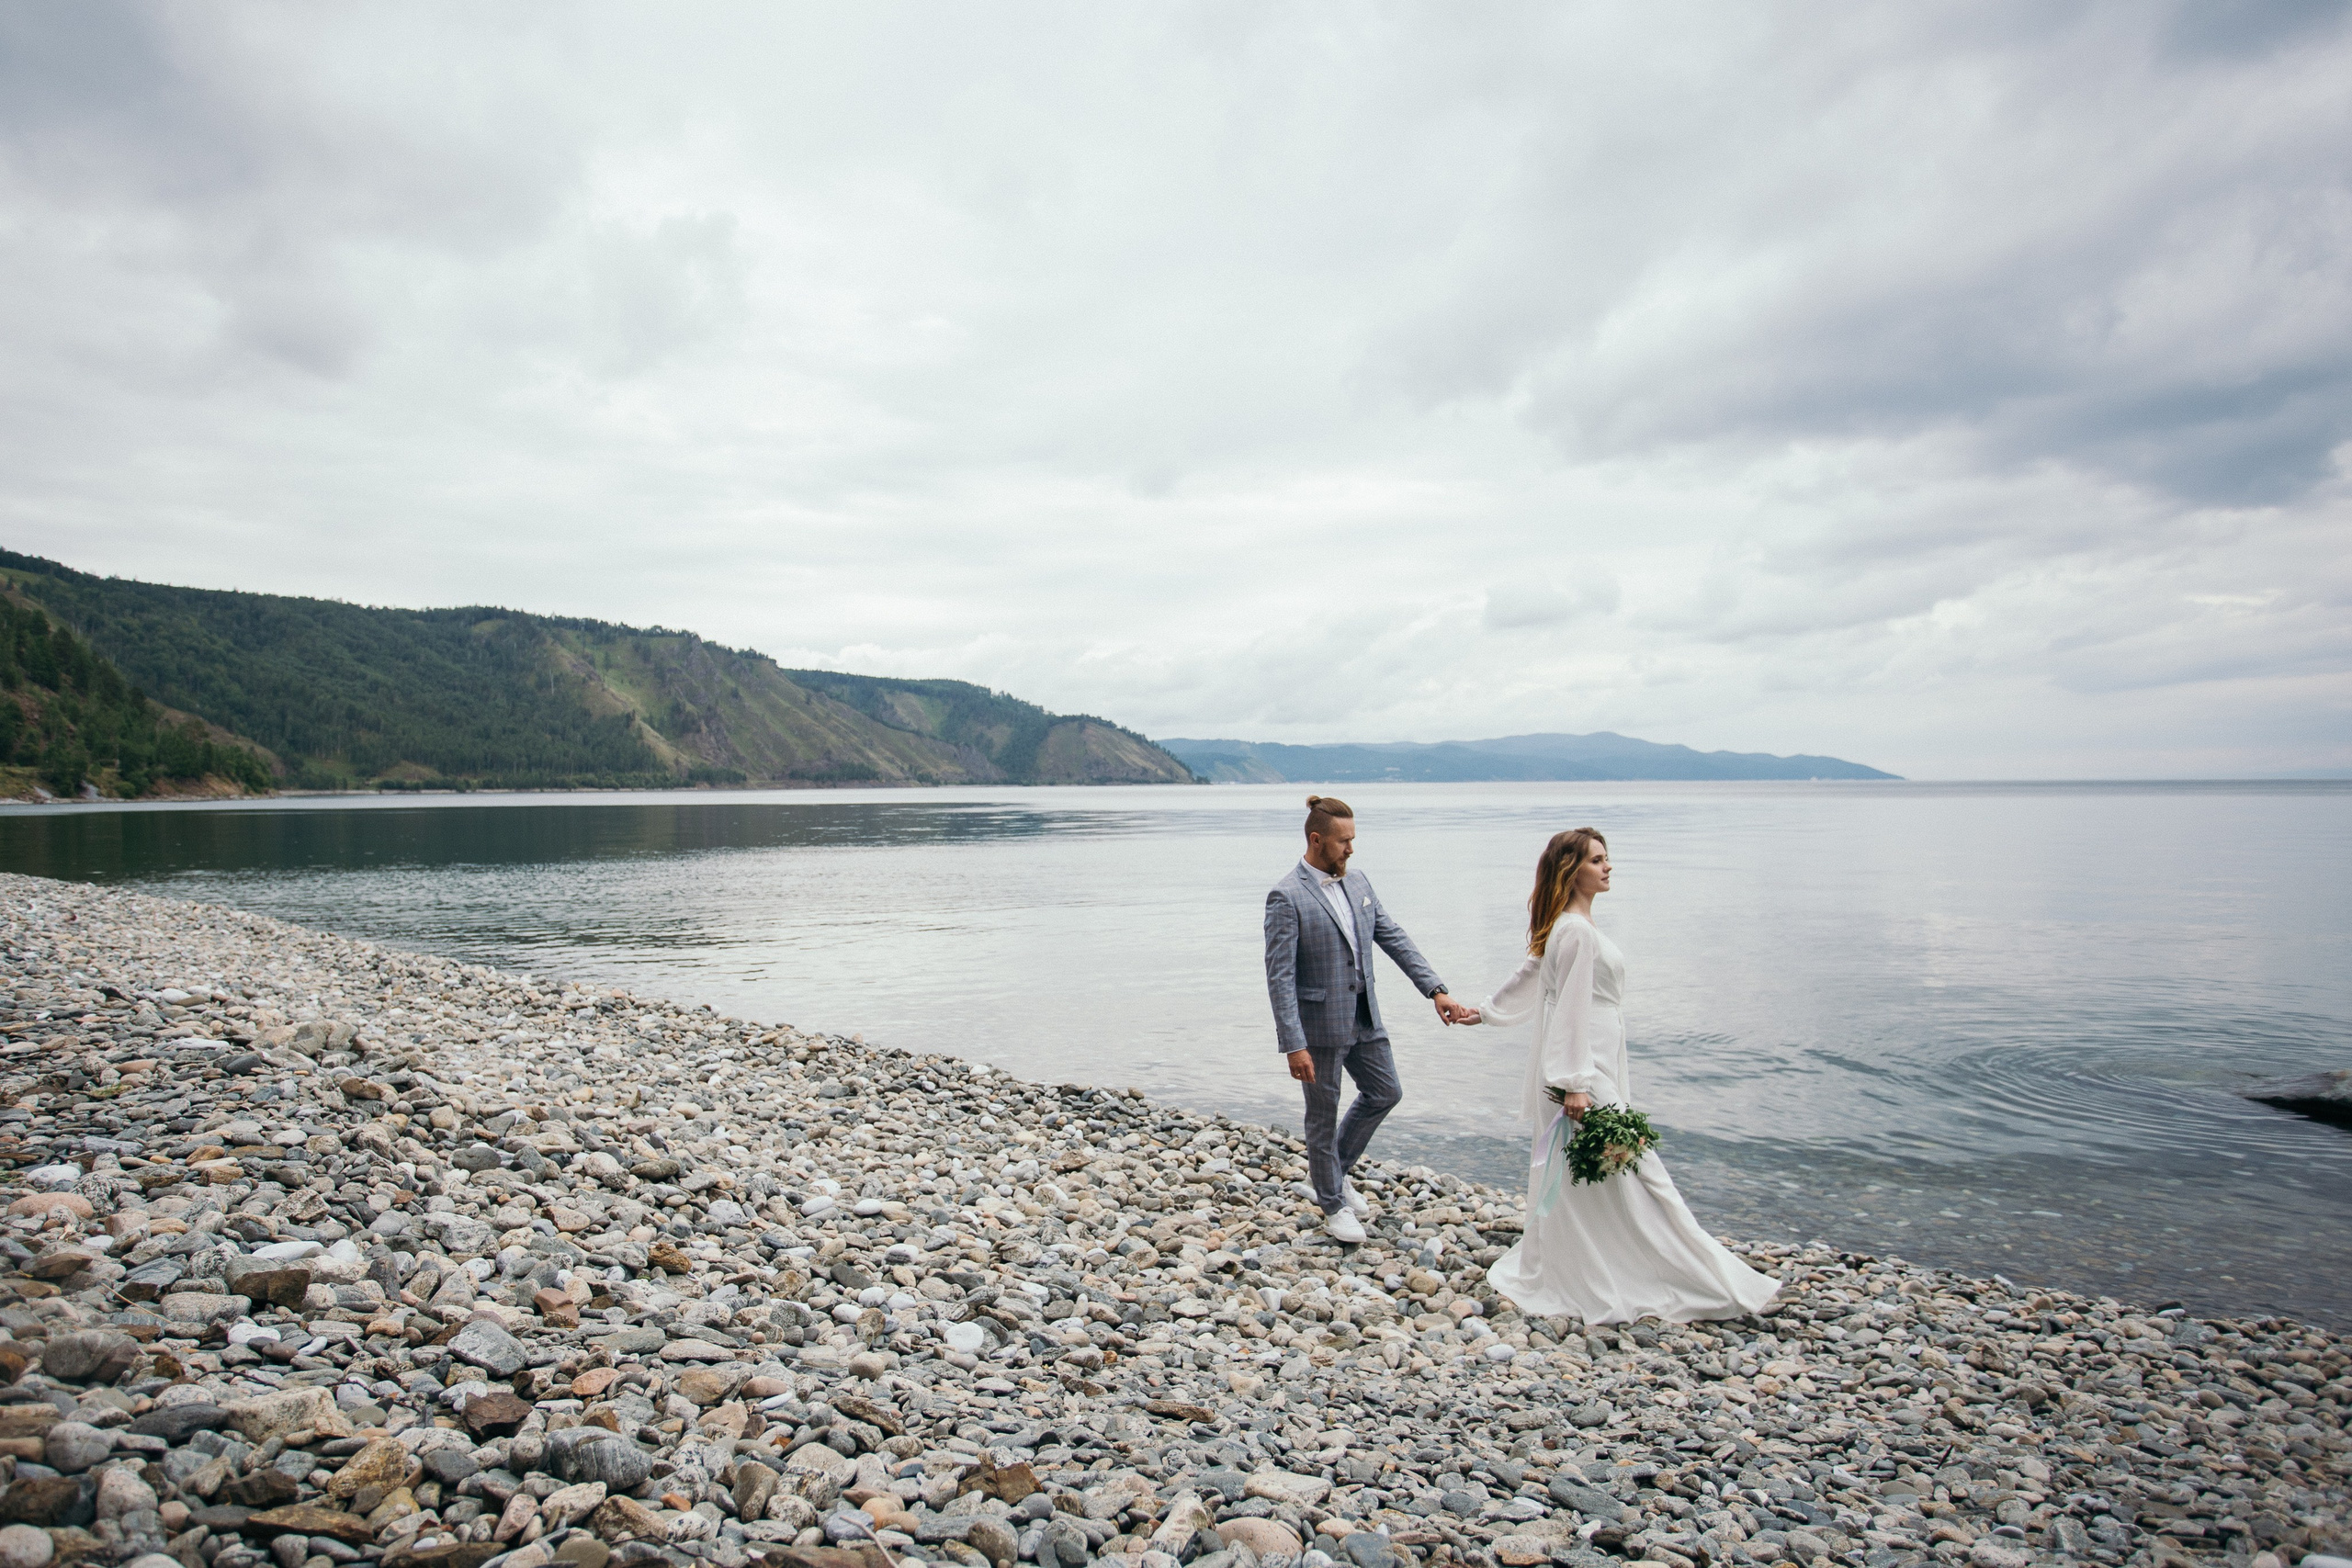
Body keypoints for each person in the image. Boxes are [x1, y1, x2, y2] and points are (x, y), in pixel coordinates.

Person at [1468, 828, 1778, 1323]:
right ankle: (1693, 1274)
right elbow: (1567, 1005)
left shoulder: (1565, 927)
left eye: (1607, 858)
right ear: (1572, 870)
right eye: (1597, 860)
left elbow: (1531, 978)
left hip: (1593, 1061)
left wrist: (1483, 1012)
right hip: (1582, 1070)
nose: (1608, 867)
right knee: (1638, 1168)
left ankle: (1605, 1263)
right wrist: (1575, 1083)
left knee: (1601, 1171)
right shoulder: (1576, 931)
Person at [1265, 794, 1476, 1244]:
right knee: (1321, 1116)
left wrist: (1435, 990)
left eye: (1354, 840)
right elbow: (1279, 977)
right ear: (1317, 839)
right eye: (1343, 842)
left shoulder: (1359, 881)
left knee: (1385, 1092)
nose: (1351, 849)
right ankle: (1333, 1203)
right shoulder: (1286, 895)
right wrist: (1293, 1043)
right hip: (1319, 1025)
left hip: (1366, 1016)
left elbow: (1393, 937)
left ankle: (1331, 1174)